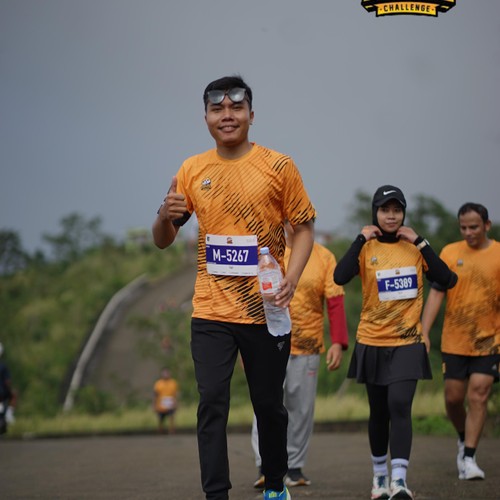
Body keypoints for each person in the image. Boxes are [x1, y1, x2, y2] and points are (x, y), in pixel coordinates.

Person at [152, 75, 316, 500]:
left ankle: (276, 485)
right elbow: (163, 239)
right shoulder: (192, 169)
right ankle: (217, 494)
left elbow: (303, 228)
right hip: (210, 311)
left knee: (268, 404)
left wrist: (292, 279)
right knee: (211, 401)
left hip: (266, 308)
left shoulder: (279, 166)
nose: (227, 116)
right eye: (217, 109)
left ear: (251, 115)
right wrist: (164, 213)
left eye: (236, 108)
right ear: (206, 117)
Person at [333, 185, 457, 500]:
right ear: (375, 212)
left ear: (404, 214)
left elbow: (447, 279)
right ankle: (379, 477)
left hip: (408, 342)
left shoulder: (415, 248)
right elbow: (339, 276)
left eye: (397, 210)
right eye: (385, 210)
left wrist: (421, 241)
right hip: (372, 341)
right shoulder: (366, 247)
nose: (391, 216)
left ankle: (399, 480)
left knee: (399, 404)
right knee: (379, 412)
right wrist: (360, 238)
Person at [251, 221, 348, 489]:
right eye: (293, 219)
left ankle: (293, 468)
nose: (299, 224)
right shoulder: (269, 252)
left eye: (306, 220)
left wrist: (338, 342)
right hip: (268, 342)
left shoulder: (324, 257)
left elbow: (335, 301)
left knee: (301, 407)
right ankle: (265, 467)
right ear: (283, 221)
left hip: (307, 344)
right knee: (266, 404)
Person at [421, 202, 499, 481]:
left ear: (487, 225)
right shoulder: (450, 253)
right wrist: (424, 331)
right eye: (463, 227)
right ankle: (463, 437)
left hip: (489, 340)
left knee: (478, 393)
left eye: (474, 227)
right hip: (454, 340)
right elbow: (436, 293)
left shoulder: (498, 254)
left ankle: (469, 458)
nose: (468, 232)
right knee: (453, 399)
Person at [153, 367, 178, 434]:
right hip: (161, 404)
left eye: (167, 373)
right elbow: (155, 394)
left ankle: (171, 430)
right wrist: (154, 404)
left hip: (170, 403)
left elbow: (176, 394)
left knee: (171, 417)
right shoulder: (158, 383)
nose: (166, 374)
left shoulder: (173, 383)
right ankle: (160, 430)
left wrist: (176, 403)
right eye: (164, 373)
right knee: (160, 418)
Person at [0, 342, 17, 435]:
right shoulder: (3, 366)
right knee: (14, 394)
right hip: (2, 392)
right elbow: (7, 382)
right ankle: (9, 413)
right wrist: (9, 389)